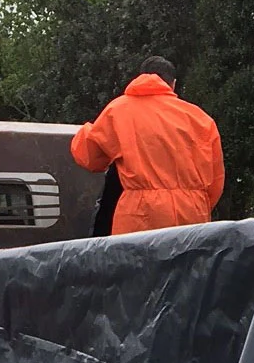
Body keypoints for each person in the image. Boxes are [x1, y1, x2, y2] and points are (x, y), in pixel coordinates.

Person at [71, 57, 224, 234]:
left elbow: (89, 157)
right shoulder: (201, 119)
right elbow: (215, 183)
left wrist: (87, 130)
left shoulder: (119, 110)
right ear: (173, 84)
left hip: (140, 217)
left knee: (136, 253)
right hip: (192, 217)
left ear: (140, 78)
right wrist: (193, 201)